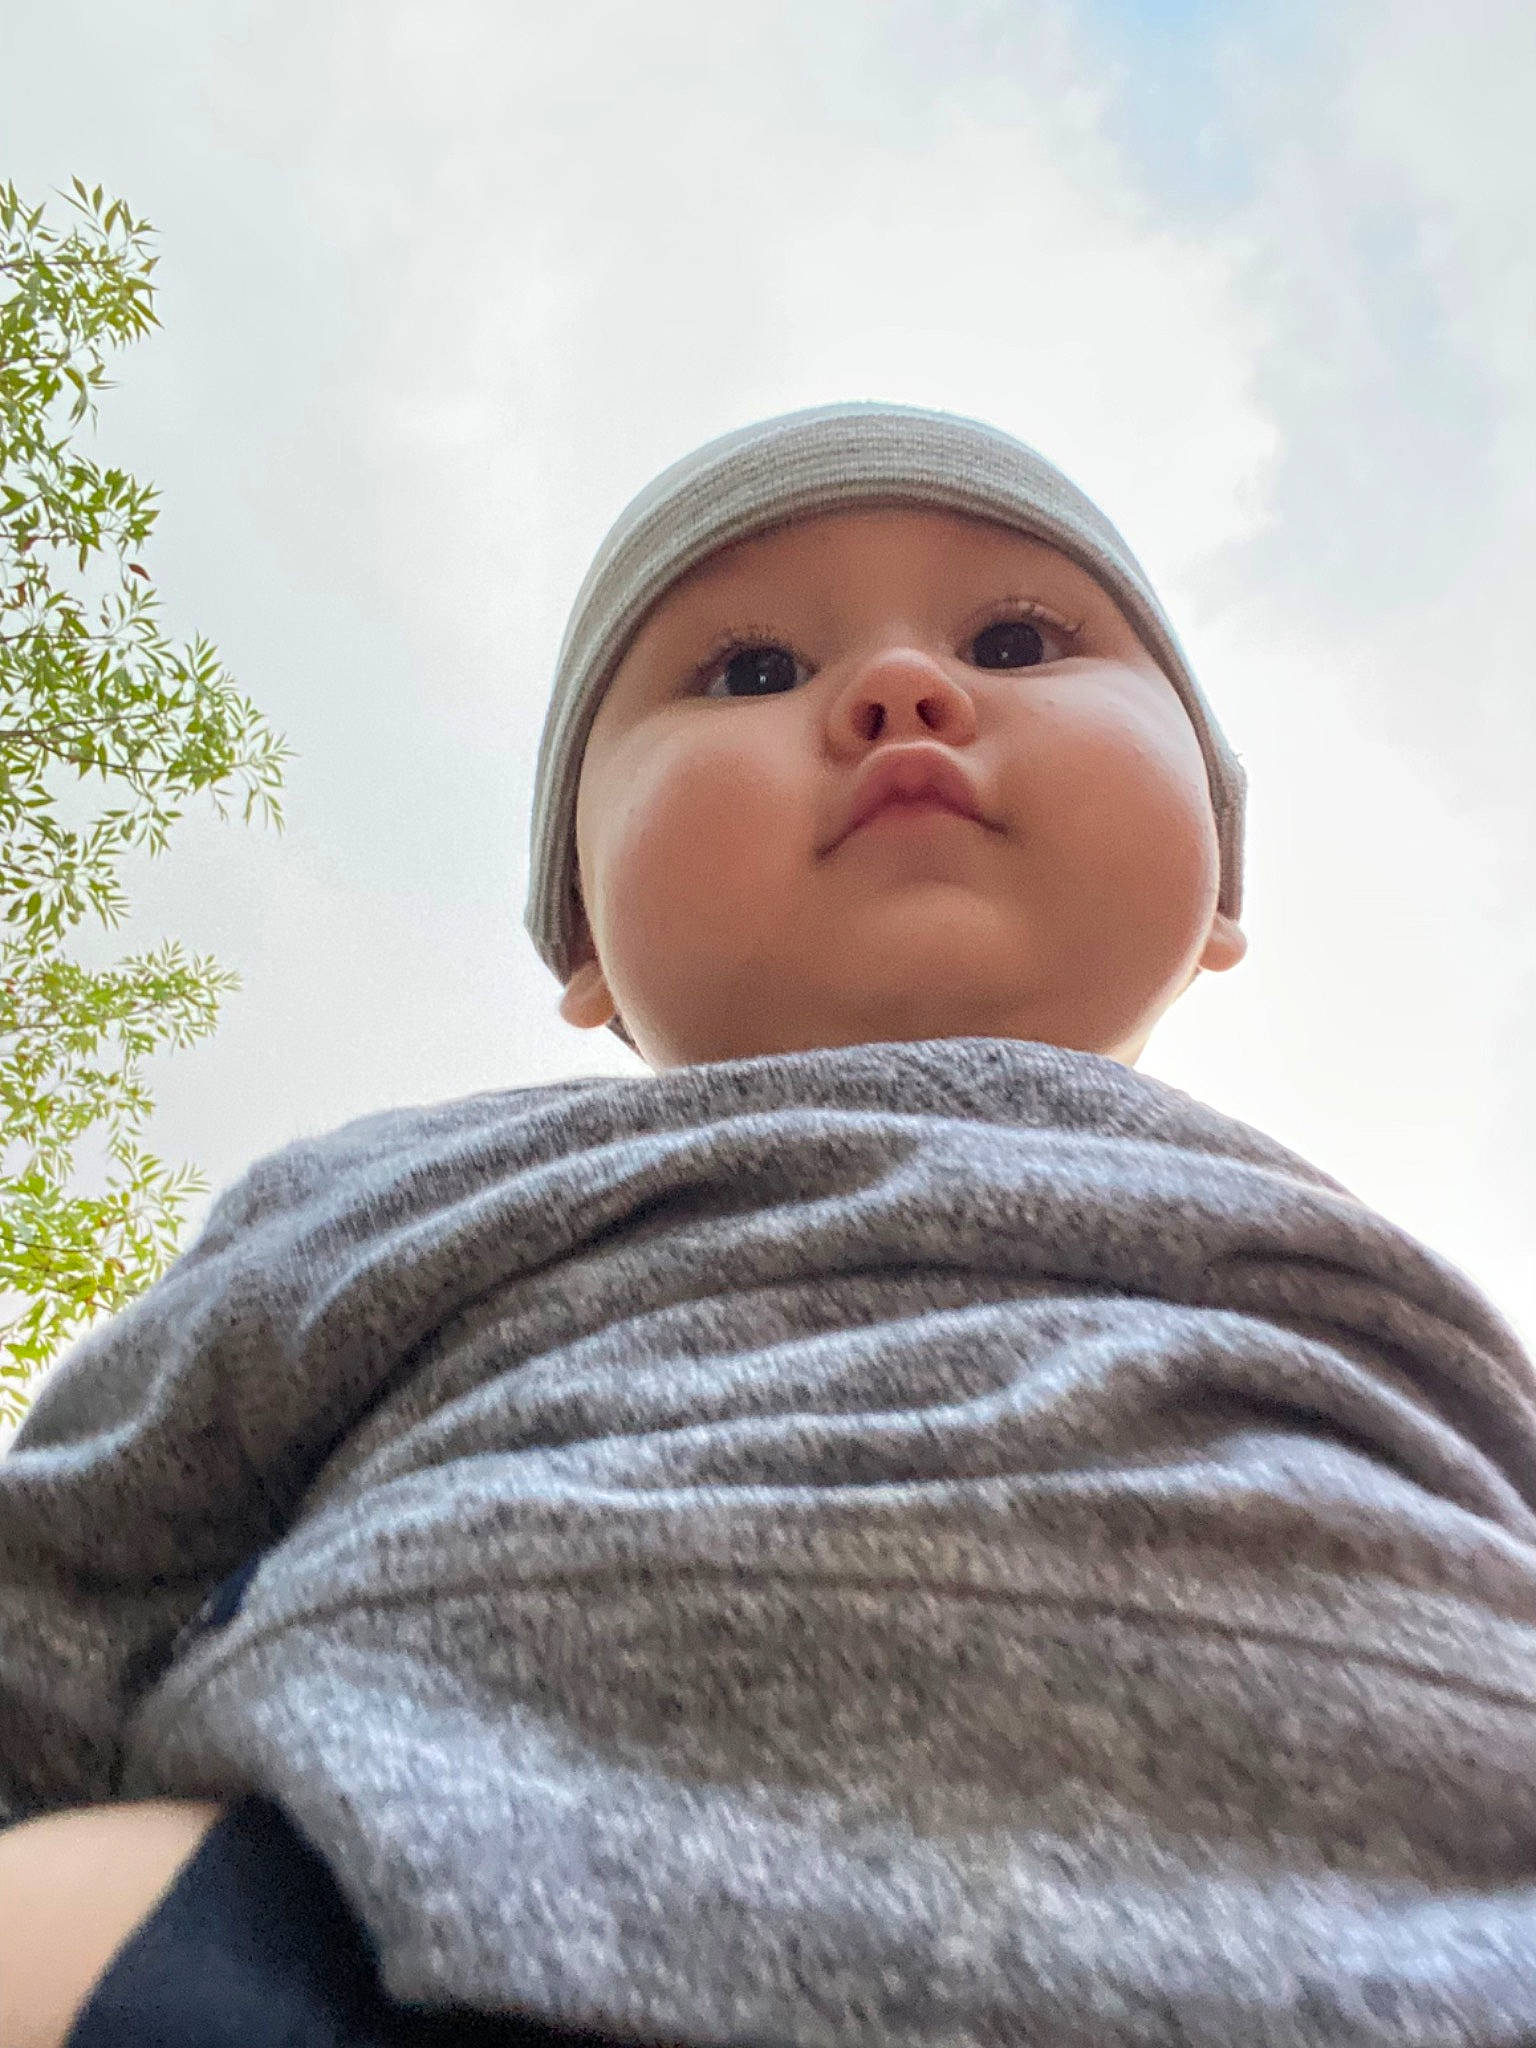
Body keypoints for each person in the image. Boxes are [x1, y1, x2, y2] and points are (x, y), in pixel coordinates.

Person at [3, 401, 1534, 2048]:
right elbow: (67, 1578)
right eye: (749, 672)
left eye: (1016, 640)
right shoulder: (412, 1191)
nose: (902, 690)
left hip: (1419, 1948)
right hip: (358, 1917)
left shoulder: (1343, 1261)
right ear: (586, 940)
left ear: (1222, 876)